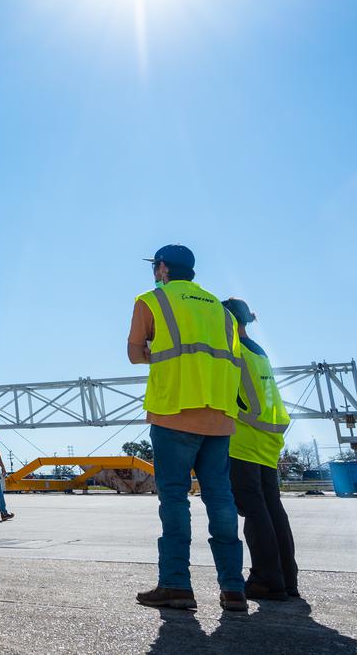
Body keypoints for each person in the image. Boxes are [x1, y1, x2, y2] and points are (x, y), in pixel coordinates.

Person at [130, 244, 246, 612]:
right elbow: (232, 359)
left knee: (175, 499)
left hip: (174, 411)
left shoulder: (153, 299)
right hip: (220, 415)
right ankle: (233, 589)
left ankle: (177, 584)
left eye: (155, 267)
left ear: (162, 268)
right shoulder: (222, 310)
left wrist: (154, 352)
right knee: (221, 500)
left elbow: (135, 353)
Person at [224, 297, 298, 600]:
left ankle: (266, 580)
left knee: (254, 510)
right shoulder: (259, 351)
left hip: (244, 439)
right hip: (268, 440)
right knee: (271, 507)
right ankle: (287, 578)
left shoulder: (235, 351)